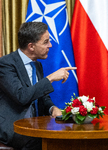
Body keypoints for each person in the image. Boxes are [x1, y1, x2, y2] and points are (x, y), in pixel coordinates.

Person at [0, 22, 76, 150]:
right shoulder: (6, 64)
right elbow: (22, 96)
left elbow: (42, 96)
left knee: (67, 136)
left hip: (35, 126)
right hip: (13, 128)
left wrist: (52, 108)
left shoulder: (37, 65)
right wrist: (50, 78)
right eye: (46, 42)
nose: (50, 45)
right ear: (31, 46)